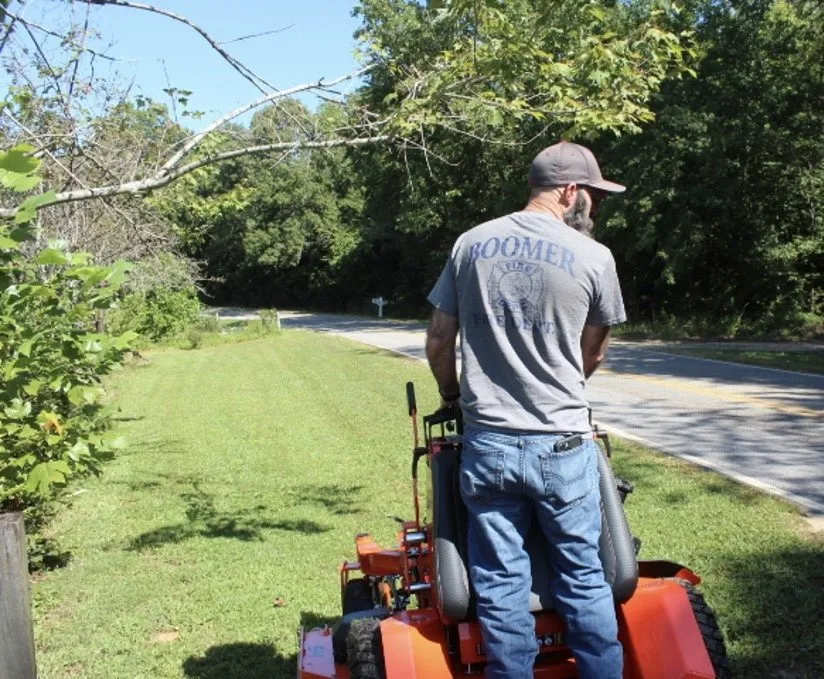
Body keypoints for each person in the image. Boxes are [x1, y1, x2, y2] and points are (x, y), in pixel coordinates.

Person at [425, 141, 627, 679]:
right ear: (570, 192)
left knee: (499, 580)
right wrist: (561, 388)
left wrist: (451, 397)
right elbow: (594, 351)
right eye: (594, 196)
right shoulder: (595, 257)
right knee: (584, 575)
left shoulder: (471, 244)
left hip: (488, 444)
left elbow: (439, 343)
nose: (595, 208)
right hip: (563, 443)